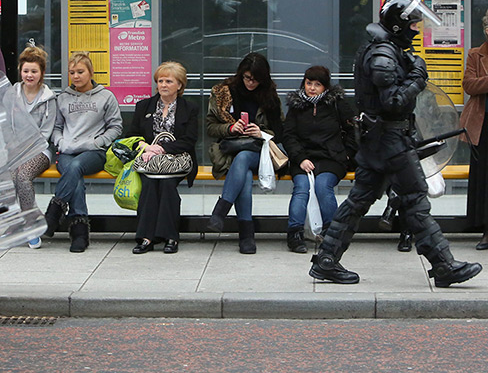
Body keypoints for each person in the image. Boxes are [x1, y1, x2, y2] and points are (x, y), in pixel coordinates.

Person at [309, 0, 482, 287]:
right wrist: (417, 78)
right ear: (398, 25)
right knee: (415, 200)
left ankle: (327, 259)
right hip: (389, 140)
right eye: (414, 24)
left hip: (380, 140)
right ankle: (443, 265)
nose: (417, 29)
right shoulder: (384, 55)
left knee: (359, 200)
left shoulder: (384, 49)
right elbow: (392, 101)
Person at [44, 51, 122, 252]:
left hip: (93, 152)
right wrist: (60, 142)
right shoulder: (62, 98)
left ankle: (55, 211)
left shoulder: (106, 96)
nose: (76, 76)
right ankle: (79, 232)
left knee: (77, 167)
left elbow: (115, 127)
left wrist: (99, 142)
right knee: (75, 176)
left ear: (91, 72)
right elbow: (57, 127)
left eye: (80, 71)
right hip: (67, 151)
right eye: (72, 72)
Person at [206, 52, 284, 254]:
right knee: (244, 174)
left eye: (256, 79)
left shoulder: (269, 96)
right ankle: (246, 236)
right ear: (241, 74)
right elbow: (210, 128)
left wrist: (261, 132)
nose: (251, 83)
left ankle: (221, 211)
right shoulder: (224, 92)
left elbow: (281, 133)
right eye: (247, 78)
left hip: (261, 152)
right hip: (230, 150)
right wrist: (231, 129)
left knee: (244, 159)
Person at [282, 66, 358, 253]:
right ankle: (295, 233)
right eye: (309, 83)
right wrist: (300, 158)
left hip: (331, 157)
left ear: (325, 87)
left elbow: (353, 130)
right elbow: (289, 136)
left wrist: (347, 153)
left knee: (323, 186)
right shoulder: (297, 106)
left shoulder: (336, 103)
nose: (312, 88)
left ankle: (332, 233)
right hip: (304, 158)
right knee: (301, 188)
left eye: (318, 84)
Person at [127, 61, 198, 254]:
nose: (163, 85)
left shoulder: (189, 108)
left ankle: (170, 237)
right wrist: (144, 146)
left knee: (167, 184)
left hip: (178, 160)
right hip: (148, 162)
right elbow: (131, 136)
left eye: (169, 81)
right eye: (160, 81)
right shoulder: (144, 106)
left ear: (180, 85)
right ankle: (146, 237)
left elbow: (189, 140)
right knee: (149, 184)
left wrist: (161, 149)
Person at [10, 43, 57, 249]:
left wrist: (27, 149)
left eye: (34, 71)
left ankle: (30, 225)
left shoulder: (49, 99)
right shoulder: (11, 94)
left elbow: (46, 133)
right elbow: (5, 125)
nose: (29, 75)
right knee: (9, 176)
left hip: (40, 151)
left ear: (42, 73)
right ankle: (20, 221)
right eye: (26, 70)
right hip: (15, 150)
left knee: (23, 175)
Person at [460, 7, 488, 250]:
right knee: (483, 177)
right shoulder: (475, 54)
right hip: (483, 123)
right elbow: (468, 85)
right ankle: (485, 230)